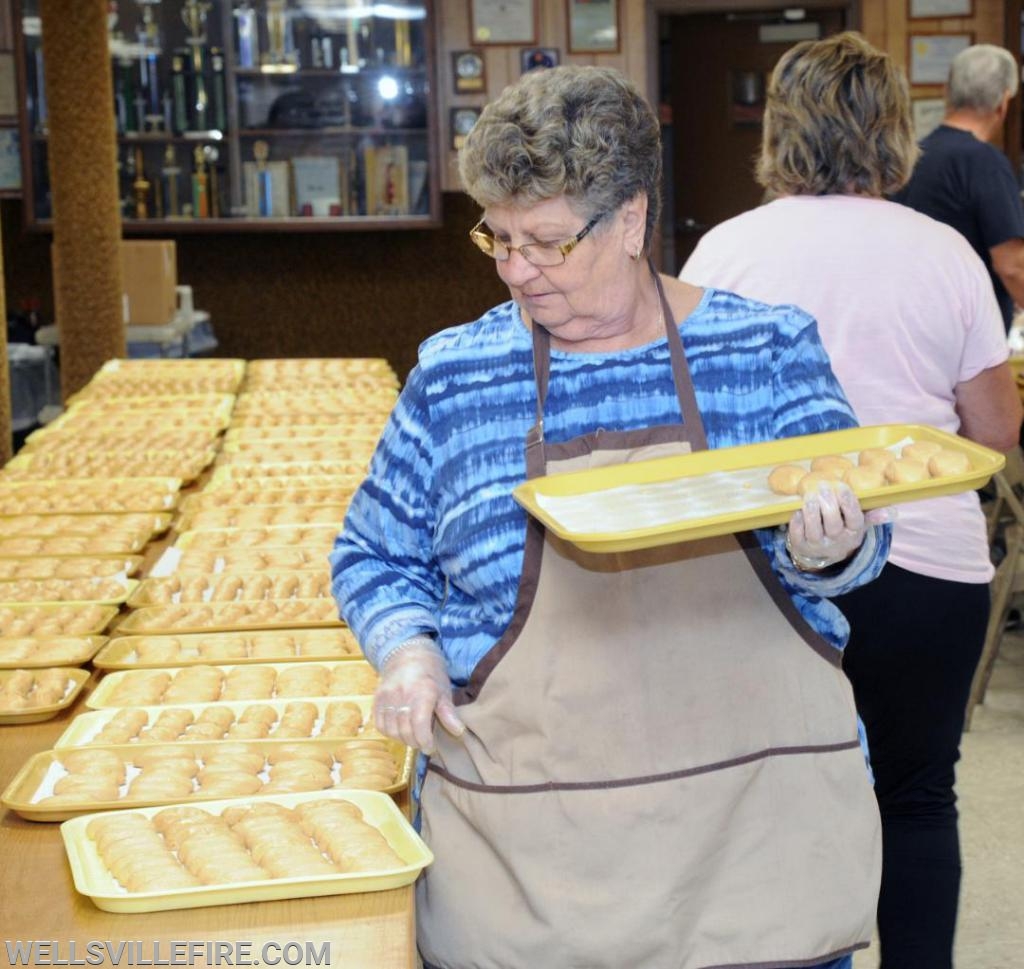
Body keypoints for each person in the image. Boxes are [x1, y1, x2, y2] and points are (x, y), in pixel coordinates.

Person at [331, 64, 891, 969]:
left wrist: (835, 544)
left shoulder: (764, 348)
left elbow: (864, 546)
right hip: (530, 863)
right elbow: (374, 552)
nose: (518, 271)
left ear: (631, 219)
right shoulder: (457, 375)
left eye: (548, 242)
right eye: (499, 239)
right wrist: (409, 650)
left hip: (756, 844)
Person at [680, 32, 1022, 969]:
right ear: (893, 132)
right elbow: (994, 431)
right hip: (928, 562)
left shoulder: (725, 250)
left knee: (773, 793)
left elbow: (694, 424)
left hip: (766, 564)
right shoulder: (946, 252)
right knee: (917, 795)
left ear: (779, 129)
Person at [892, 43, 1024, 333]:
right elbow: (1011, 265)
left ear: (946, 92)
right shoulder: (985, 162)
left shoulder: (912, 157)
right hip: (969, 335)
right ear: (1003, 103)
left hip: (913, 324)